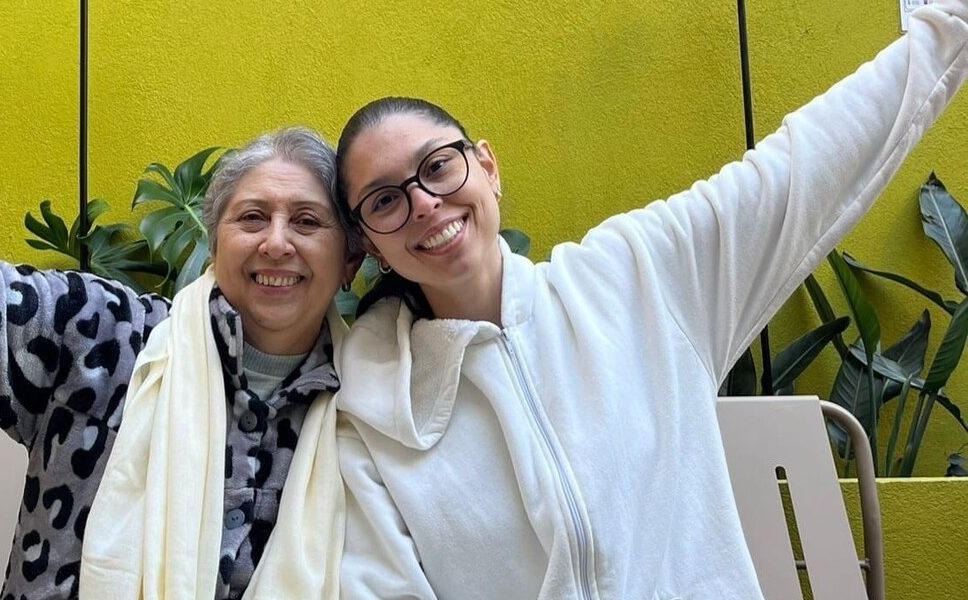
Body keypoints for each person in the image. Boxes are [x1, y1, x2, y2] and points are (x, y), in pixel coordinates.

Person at [331, 2, 968, 598]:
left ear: (488, 168)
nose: (424, 203)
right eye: (385, 200)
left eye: (438, 166)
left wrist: (949, 26)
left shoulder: (637, 277)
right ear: (371, 245)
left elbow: (805, 161)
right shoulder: (374, 414)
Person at [0, 76, 360, 599]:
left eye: (307, 221)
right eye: (251, 217)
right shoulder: (102, 335)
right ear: (214, 244)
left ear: (351, 260)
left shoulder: (370, 411)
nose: (275, 242)